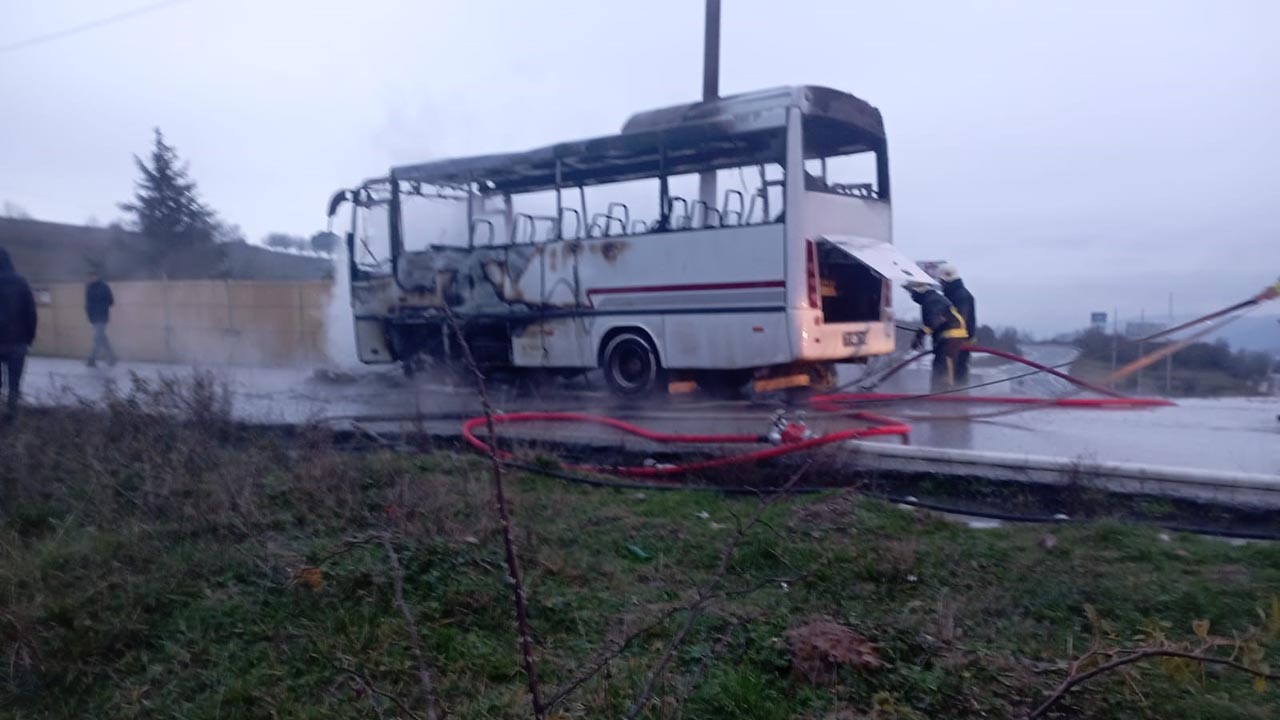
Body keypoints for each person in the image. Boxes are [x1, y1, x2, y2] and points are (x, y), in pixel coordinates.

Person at [906, 281, 969, 392]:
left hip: (951, 338)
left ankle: (945, 397)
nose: (912, 296)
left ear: (919, 291)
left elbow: (934, 322)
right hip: (947, 338)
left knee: (944, 368)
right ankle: (938, 395)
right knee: (940, 367)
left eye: (912, 293)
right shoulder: (931, 298)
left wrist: (920, 334)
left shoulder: (932, 300)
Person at [0, 247, 38, 420]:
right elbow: (31, 313)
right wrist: (29, 338)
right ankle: (12, 416)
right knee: (14, 384)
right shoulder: (21, 282)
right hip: (18, 342)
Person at [936, 264, 976, 384]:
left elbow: (957, 321)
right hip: (956, 345)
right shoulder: (960, 294)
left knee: (950, 381)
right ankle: (957, 398)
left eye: (941, 281)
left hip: (953, 346)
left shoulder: (958, 296)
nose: (940, 284)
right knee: (958, 377)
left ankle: (952, 400)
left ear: (945, 280)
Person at [85, 271, 117, 367]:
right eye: (90, 277)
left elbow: (111, 301)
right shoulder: (89, 288)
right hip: (95, 317)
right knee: (102, 337)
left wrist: (102, 306)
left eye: (92, 277)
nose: (91, 279)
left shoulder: (103, 287)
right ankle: (112, 357)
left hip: (101, 316)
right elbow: (87, 304)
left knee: (98, 339)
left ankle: (92, 359)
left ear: (97, 276)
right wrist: (90, 317)